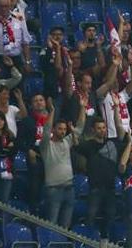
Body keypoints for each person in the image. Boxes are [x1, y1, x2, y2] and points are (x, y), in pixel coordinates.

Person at [41, 97, 77, 228]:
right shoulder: (46, 145)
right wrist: (52, 111)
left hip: (69, 188)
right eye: (60, 129)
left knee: (66, 227)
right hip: (54, 189)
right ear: (54, 130)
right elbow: (45, 131)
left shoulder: (67, 142)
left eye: (64, 129)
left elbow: (80, 127)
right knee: (52, 225)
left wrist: (83, 108)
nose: (62, 131)